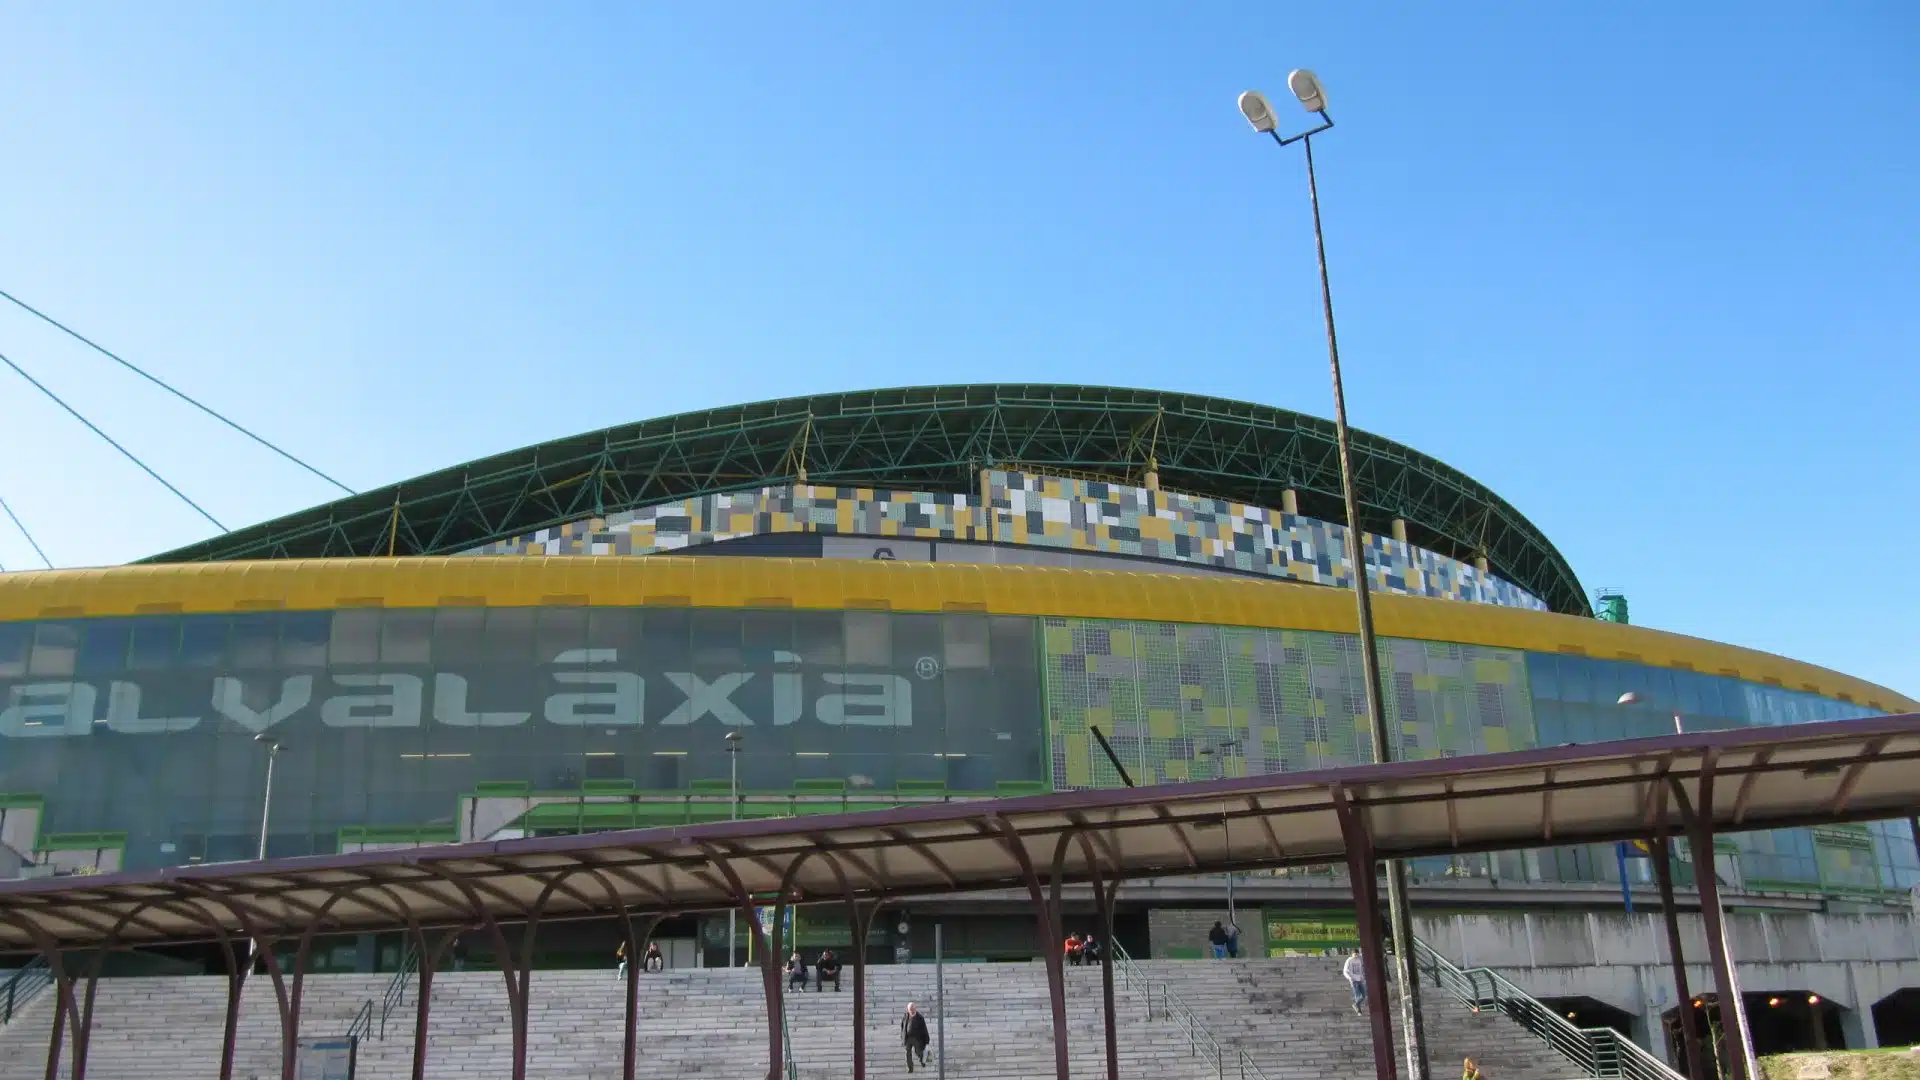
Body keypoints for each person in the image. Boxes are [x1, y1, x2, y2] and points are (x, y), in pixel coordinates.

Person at [901, 1002, 931, 1072]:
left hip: (917, 1038)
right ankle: (910, 1068)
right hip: (908, 1038)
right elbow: (902, 1026)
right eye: (910, 1010)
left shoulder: (920, 1018)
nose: (911, 1011)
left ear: (915, 1009)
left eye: (912, 1009)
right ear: (908, 1009)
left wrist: (927, 1041)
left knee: (918, 1052)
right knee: (907, 1053)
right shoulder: (906, 1016)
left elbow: (924, 1029)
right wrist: (902, 1036)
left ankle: (922, 1059)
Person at [1342, 950, 1367, 1015]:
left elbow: (1361, 970)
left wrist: (1363, 978)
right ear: (1352, 954)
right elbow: (1345, 971)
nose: (1356, 956)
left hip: (1360, 980)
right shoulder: (1349, 960)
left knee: (1364, 995)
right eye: (1355, 955)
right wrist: (1350, 978)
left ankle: (1355, 1004)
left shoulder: (1359, 960)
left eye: (1357, 955)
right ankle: (1359, 1011)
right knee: (1357, 996)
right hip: (1353, 981)